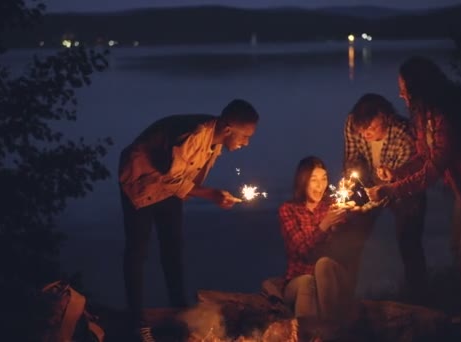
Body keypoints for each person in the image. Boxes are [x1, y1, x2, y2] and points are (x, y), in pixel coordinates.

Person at [366, 56, 461, 333]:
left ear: (418, 86)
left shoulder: (448, 113)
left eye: (404, 87)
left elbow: (435, 169)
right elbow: (426, 157)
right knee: (459, 248)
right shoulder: (425, 115)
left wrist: (392, 189)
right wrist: (396, 173)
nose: (400, 93)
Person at [118, 99, 259, 341]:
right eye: (244, 136)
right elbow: (170, 176)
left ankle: (180, 312)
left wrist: (212, 195)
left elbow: (185, 180)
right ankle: (136, 322)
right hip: (141, 181)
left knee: (173, 247)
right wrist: (211, 195)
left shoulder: (215, 144)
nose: (247, 143)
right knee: (137, 252)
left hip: (169, 186)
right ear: (227, 129)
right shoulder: (195, 135)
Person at [342, 93, 429, 305]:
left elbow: (407, 180)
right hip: (370, 184)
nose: (365, 134)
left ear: (384, 117)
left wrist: (383, 190)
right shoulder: (353, 124)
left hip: (405, 189)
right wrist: (353, 183)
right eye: (361, 131)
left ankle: (419, 300)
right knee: (351, 237)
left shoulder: (404, 134)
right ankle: (343, 298)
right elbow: (353, 159)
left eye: (370, 129)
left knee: (409, 242)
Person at [278, 156, 357, 340]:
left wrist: (340, 224)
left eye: (324, 178)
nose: (320, 185)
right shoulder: (288, 210)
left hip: (332, 278)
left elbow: (342, 249)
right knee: (306, 281)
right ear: (303, 180)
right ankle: (308, 336)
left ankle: (328, 332)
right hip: (297, 280)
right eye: (314, 179)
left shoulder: (332, 206)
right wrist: (324, 225)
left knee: (323, 264)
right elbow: (302, 250)